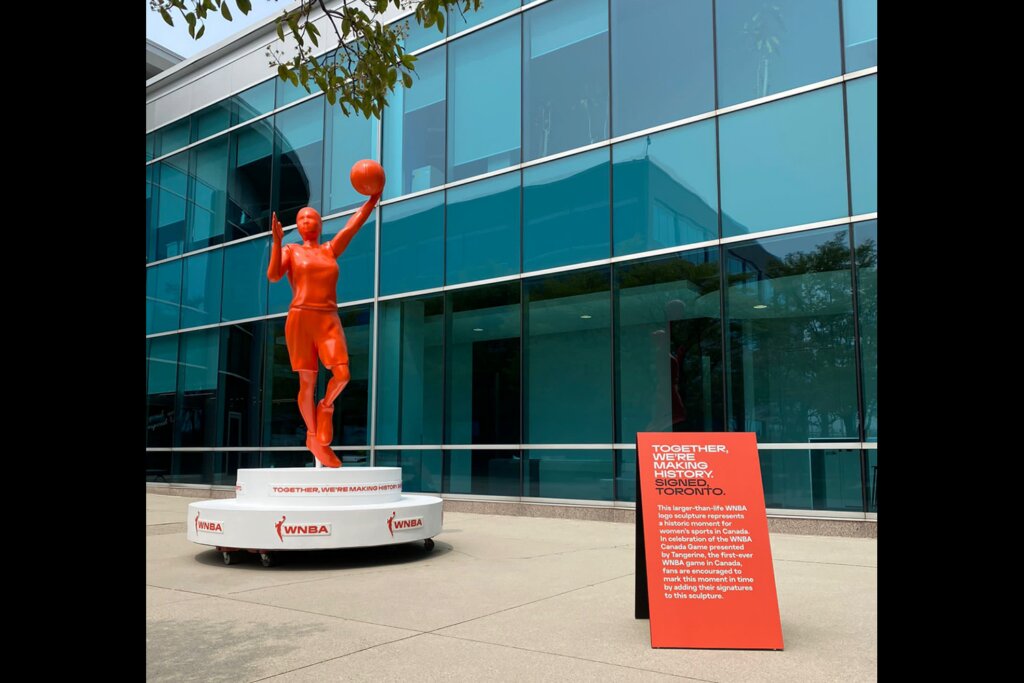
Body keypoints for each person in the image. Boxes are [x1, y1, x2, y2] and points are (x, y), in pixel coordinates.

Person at [266, 192, 380, 467]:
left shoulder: (329, 249)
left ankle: (326, 406)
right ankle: (314, 436)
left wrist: (372, 200)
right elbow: (273, 276)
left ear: (319, 224)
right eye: (302, 218)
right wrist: (277, 242)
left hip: (328, 318)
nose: (307, 221)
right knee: (307, 381)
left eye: (312, 217)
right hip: (301, 318)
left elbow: (352, 225)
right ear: (298, 225)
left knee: (342, 374)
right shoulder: (291, 251)